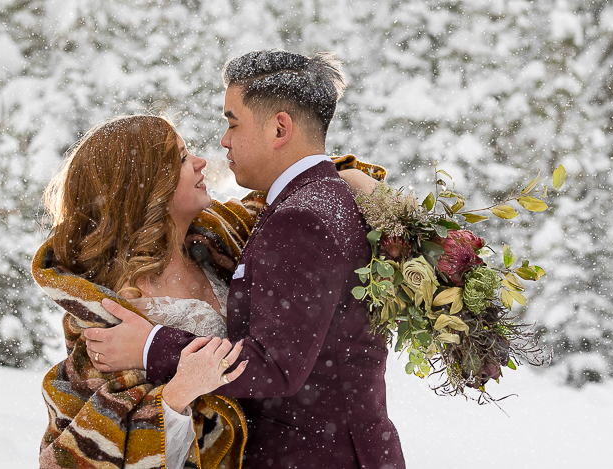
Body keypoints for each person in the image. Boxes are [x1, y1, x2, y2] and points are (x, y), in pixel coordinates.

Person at [87, 51, 406, 469]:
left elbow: (274, 365)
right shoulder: (327, 197)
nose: (223, 140)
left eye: (232, 121)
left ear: (279, 128)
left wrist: (150, 346)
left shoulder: (301, 217)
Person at [32, 114, 251, 469]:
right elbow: (79, 456)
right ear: (146, 188)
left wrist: (352, 177)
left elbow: (293, 190)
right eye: (181, 158)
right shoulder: (115, 310)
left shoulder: (218, 241)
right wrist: (177, 395)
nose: (200, 162)